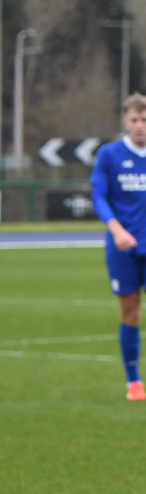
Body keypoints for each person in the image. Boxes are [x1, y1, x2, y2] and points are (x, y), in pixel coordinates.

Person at [92, 93, 146, 399]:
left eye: (145, 120)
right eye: (135, 120)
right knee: (131, 313)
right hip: (123, 247)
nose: (140, 126)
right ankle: (134, 381)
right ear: (125, 121)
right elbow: (99, 196)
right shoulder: (109, 155)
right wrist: (116, 230)